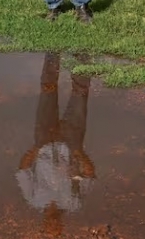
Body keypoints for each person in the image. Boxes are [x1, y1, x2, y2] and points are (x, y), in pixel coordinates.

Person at [15, 52, 95, 237]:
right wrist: (78, 152)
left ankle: (53, 48)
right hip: (71, 141)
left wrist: (36, 148)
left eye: (49, 231)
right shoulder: (74, 204)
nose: (53, 227)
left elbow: (23, 169)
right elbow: (90, 175)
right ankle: (83, 49)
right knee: (80, 92)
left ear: (43, 227)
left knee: (47, 88)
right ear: (62, 228)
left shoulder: (33, 199)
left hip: (44, 141)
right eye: (57, 232)